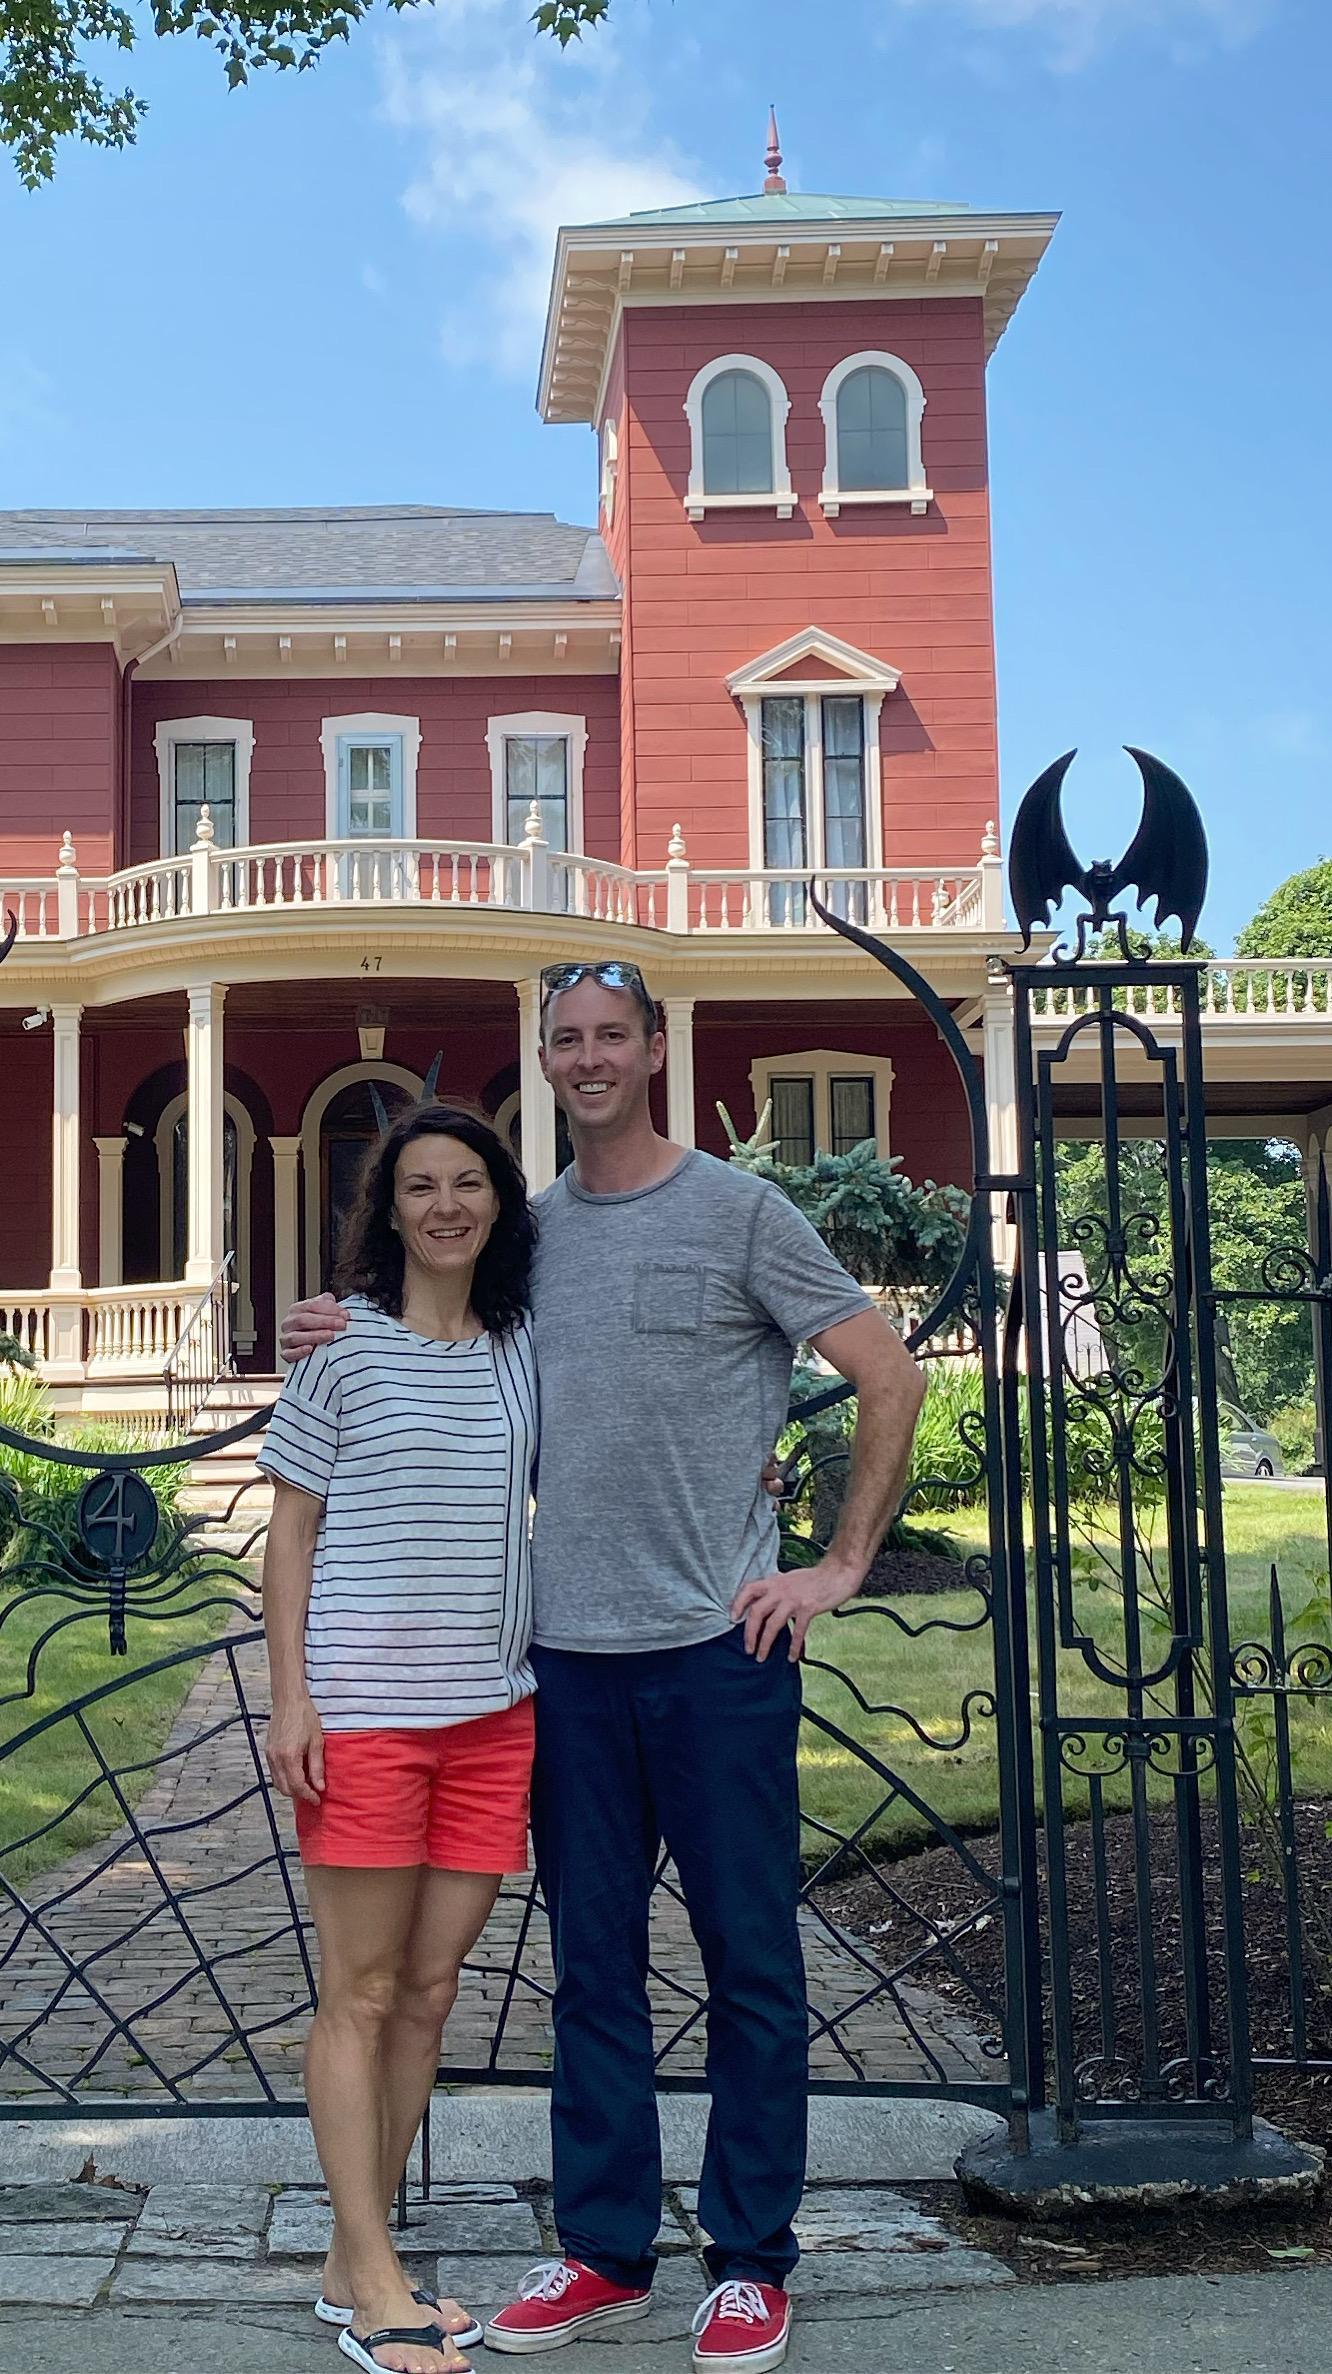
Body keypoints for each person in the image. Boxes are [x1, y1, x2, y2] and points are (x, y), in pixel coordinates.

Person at [281, 963, 926, 2374]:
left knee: (751, 1961)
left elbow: (886, 1370)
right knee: (591, 1976)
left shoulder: (737, 1207)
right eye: (563, 1038)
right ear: (548, 1058)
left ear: (649, 1050)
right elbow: (429, 1335)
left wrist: (834, 1562)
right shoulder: (528, 1237)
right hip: (559, 1665)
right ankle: (603, 2250)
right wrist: (328, 1321)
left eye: (609, 1037)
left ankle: (752, 2257)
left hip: (717, 1653)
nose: (586, 1058)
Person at [260, 1103, 541, 2374]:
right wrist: (290, 1698)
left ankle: (346, 2250)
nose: (445, 1205)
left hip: (492, 1714)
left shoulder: (522, 1348)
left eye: (466, 1183)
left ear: (497, 1202)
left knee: (429, 1993)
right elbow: (293, 1535)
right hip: (365, 1716)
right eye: (418, 1185)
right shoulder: (340, 1350)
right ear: (388, 1209)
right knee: (360, 1992)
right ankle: (375, 2277)